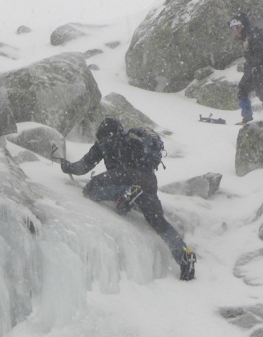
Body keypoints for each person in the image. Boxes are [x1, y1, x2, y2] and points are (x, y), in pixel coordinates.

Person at [60, 117, 197, 281]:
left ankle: (124, 193)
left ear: (101, 134)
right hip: (148, 181)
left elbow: (83, 167)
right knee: (158, 221)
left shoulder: (104, 142)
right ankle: (184, 254)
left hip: (124, 175)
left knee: (90, 189)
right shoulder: (131, 140)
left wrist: (66, 166)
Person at [229, 12, 263, 124]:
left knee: (262, 91)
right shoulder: (246, 36)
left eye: (237, 27)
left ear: (242, 25)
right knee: (242, 90)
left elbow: (261, 53)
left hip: (262, 67)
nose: (236, 30)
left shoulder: (253, 34)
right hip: (253, 68)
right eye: (233, 28)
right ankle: (247, 118)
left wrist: (258, 66)